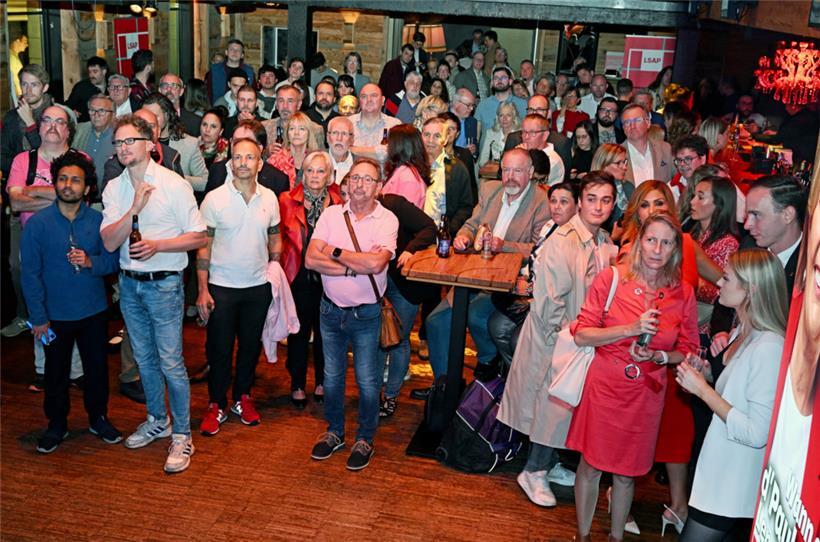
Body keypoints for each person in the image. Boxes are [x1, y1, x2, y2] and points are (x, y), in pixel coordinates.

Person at [567, 212, 699, 542]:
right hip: (605, 384)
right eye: (651, 240)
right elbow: (583, 333)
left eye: (666, 243)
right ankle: (582, 537)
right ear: (640, 242)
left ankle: (615, 538)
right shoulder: (612, 279)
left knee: (626, 473)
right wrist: (630, 329)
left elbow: (690, 348)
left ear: (675, 250)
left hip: (647, 392)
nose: (657, 249)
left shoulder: (682, 293)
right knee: (591, 466)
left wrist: (660, 356)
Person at [499, 172, 617, 507]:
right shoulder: (563, 240)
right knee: (549, 407)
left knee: (563, 407)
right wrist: (572, 339)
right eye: (592, 199)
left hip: (580, 337)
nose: (598, 206)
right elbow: (551, 302)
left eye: (606, 200)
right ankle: (533, 471)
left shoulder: (601, 237)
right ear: (580, 202)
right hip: (560, 338)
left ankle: (547, 464)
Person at [100, 114, 207, 473]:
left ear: (150, 144)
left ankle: (182, 434)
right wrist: (134, 209)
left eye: (130, 141)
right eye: (119, 143)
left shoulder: (174, 184)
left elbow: (198, 236)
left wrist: (158, 245)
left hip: (164, 283)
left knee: (171, 362)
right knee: (144, 360)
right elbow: (109, 240)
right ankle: (157, 420)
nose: (124, 148)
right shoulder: (115, 188)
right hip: (129, 283)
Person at [676, 249, 787, 541]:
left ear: (750, 290)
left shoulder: (769, 347)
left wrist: (702, 389)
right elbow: (738, 388)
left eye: (726, 278)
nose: (719, 284)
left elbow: (755, 432)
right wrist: (708, 374)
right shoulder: (743, 331)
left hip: (732, 483)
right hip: (717, 471)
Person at [21, 151, 122, 453]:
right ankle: (56, 425)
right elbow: (30, 275)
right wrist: (38, 318)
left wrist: (93, 262)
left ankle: (98, 418)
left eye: (75, 180)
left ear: (87, 188)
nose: (68, 185)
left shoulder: (99, 221)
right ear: (55, 184)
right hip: (53, 317)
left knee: (97, 370)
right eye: (63, 179)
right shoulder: (37, 225)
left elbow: (114, 261)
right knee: (55, 372)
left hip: (93, 311)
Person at [305, 157, 398, 471]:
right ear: (345, 183)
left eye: (367, 179)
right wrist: (350, 268)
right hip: (329, 310)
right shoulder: (332, 214)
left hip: (366, 315)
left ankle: (365, 438)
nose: (359, 184)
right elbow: (309, 260)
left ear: (378, 187)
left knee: (368, 380)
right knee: (331, 378)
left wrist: (332, 252)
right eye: (355, 178)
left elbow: (376, 265)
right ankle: (335, 431)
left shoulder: (387, 220)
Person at [426, 148, 550, 381]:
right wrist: (463, 236)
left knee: (475, 315)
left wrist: (503, 245)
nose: (510, 176)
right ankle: (445, 386)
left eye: (517, 170)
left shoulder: (541, 201)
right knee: (436, 322)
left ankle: (487, 366)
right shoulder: (490, 190)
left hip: (507, 283)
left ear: (531, 172)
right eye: (506, 170)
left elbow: (538, 248)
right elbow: (471, 224)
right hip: (473, 273)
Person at [196, 138, 281, 435]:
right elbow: (203, 248)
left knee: (249, 347)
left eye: (250, 157)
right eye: (238, 157)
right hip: (221, 287)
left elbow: (275, 236)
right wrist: (203, 289)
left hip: (257, 287)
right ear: (230, 162)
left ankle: (243, 397)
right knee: (218, 349)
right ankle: (216, 404)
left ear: (260, 163)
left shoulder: (270, 198)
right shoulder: (214, 200)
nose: (243, 162)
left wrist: (274, 267)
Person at [7, 105, 85, 390]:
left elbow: (80, 199)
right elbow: (15, 202)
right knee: (38, 305)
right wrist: (61, 195)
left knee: (72, 306)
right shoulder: (22, 161)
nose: (52, 126)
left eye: (59, 122)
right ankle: (43, 368)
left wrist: (33, 191)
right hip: (34, 245)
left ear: (68, 130)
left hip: (71, 242)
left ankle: (75, 371)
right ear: (38, 127)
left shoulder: (81, 160)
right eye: (47, 120)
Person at [488, 181, 580, 366]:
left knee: (516, 340)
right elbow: (535, 258)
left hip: (553, 307)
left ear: (577, 206)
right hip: (533, 293)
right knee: (495, 324)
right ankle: (511, 381)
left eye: (563, 202)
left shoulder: (575, 237)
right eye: (553, 201)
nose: (556, 207)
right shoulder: (550, 225)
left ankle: (525, 381)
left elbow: (562, 283)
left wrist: (531, 290)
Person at [279, 151, 344, 408]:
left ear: (329, 176)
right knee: (299, 331)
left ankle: (321, 380)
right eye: (310, 170)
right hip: (297, 275)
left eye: (320, 171)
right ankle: (296, 383)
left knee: (326, 333)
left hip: (329, 276)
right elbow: (278, 238)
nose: (314, 176)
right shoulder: (285, 200)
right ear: (302, 174)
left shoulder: (339, 201)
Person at [377, 191, 438, 417]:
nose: (360, 188)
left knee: (398, 340)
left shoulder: (394, 204)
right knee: (376, 339)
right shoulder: (350, 213)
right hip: (374, 284)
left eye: (367, 180)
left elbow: (429, 228)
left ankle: (391, 396)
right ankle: (374, 395)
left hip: (403, 285)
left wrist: (410, 249)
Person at [689, 177, 739, 336]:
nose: (692, 202)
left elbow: (719, 293)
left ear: (719, 203)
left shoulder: (728, 243)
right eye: (694, 196)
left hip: (705, 329)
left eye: (701, 197)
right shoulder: (692, 234)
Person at [742, 175, 806, 296]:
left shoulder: (809, 263)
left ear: (787, 215)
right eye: (747, 215)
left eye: (756, 215)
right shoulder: (748, 246)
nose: (746, 225)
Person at [204, 119, 290, 198]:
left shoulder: (278, 180)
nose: (240, 146)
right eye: (236, 141)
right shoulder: (216, 169)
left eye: (247, 142)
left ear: (259, 148)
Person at [142, 93, 209, 193]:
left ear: (167, 115)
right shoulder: (137, 143)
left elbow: (204, 182)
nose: (149, 122)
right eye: (144, 119)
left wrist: (177, 176)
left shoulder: (189, 144)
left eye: (154, 116)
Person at [1, 64, 53, 181]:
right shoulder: (11, 117)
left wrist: (30, 123)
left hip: (49, 182)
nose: (28, 90)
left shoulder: (55, 115)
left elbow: (50, 155)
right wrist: (23, 168)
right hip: (17, 181)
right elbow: (2, 156)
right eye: (24, 84)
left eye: (34, 85)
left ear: (44, 88)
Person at [72, 94, 116, 199]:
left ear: (113, 114)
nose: (96, 115)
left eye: (101, 111)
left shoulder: (119, 135)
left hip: (109, 201)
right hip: (80, 200)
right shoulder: (79, 131)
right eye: (92, 110)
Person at [621, 103, 673, 186]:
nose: (632, 126)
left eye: (637, 120)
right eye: (627, 122)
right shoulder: (616, 155)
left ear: (648, 123)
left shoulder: (665, 149)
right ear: (623, 128)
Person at [348, 84, 402, 163]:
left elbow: (390, 154)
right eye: (364, 96)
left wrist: (353, 149)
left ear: (383, 100)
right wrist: (378, 152)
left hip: (384, 175)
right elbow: (340, 151)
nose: (369, 100)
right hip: (353, 174)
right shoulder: (348, 123)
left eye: (374, 95)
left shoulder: (394, 125)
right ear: (360, 101)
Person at [267, 112, 321, 189]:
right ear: (287, 134)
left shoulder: (317, 160)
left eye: (301, 129)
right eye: (292, 129)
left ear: (309, 133)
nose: (296, 133)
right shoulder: (275, 160)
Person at [381, 124, 430, 210]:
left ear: (398, 146)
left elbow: (404, 216)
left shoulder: (408, 178)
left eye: (390, 143)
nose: (387, 146)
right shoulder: (401, 170)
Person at [474, 67, 528, 140]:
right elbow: (476, 137)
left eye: (503, 78)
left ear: (510, 81)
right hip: (487, 150)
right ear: (492, 83)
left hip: (514, 150)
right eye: (496, 78)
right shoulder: (482, 105)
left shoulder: (523, 104)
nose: (499, 80)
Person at [590, 143, 633, 226]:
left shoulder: (628, 187)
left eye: (625, 162)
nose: (625, 167)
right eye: (618, 163)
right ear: (603, 165)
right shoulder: (590, 191)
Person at [518, 114, 565, 186]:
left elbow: (525, 184)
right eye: (524, 132)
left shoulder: (552, 161)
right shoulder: (525, 151)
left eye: (532, 132)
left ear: (545, 135)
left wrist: (520, 157)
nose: (526, 137)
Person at [478, 102, 520, 172]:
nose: (504, 119)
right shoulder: (490, 133)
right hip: (493, 173)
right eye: (501, 115)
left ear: (514, 117)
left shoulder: (521, 135)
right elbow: (482, 161)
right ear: (497, 117)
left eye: (508, 115)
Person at [66, 56, 108, 123]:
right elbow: (68, 106)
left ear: (104, 71)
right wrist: (72, 112)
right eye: (89, 72)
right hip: (86, 126)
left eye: (95, 71)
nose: (91, 75)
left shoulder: (111, 86)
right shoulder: (81, 87)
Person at [158, 73, 201, 137]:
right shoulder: (151, 119)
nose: (169, 90)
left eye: (174, 86)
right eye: (165, 85)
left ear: (181, 91)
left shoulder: (195, 122)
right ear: (159, 90)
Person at [670, 134, 709, 205]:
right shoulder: (672, 188)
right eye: (679, 160)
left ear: (703, 159)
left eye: (688, 159)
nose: (682, 164)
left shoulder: (717, 185)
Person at [450, 88, 480, 154]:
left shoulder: (472, 122)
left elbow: (475, 145)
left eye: (473, 105)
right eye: (468, 105)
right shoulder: (442, 118)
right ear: (457, 103)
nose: (471, 109)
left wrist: (474, 149)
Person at [326, 116, 355, 183]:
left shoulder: (360, 164)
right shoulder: (314, 159)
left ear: (352, 139)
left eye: (344, 134)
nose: (339, 138)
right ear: (327, 137)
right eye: (335, 133)